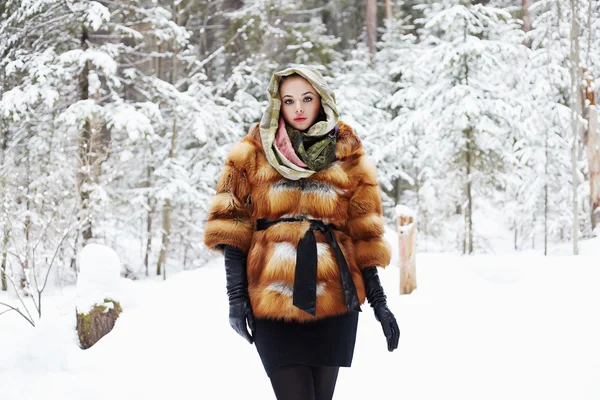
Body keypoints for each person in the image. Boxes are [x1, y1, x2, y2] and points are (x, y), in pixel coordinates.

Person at [203, 65, 399, 400]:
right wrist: (236, 298)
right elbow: (231, 229)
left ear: (321, 100)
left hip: (334, 299)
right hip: (272, 298)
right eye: (289, 99)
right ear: (277, 102)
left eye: (307, 99)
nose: (298, 108)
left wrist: (379, 301)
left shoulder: (348, 153)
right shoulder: (251, 152)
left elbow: (364, 233)